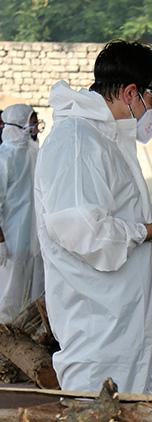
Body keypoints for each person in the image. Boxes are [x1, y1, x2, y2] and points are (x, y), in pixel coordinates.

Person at [35, 40, 152, 395]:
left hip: (142, 316)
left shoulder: (109, 137)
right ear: (131, 92)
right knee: (103, 414)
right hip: (101, 327)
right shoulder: (76, 142)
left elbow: (124, 207)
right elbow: (84, 230)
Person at [0, 104, 44, 323]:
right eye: (31, 121)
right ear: (18, 124)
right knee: (8, 290)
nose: (35, 126)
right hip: (12, 237)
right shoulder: (3, 157)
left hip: (34, 235)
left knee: (35, 289)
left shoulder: (35, 152)